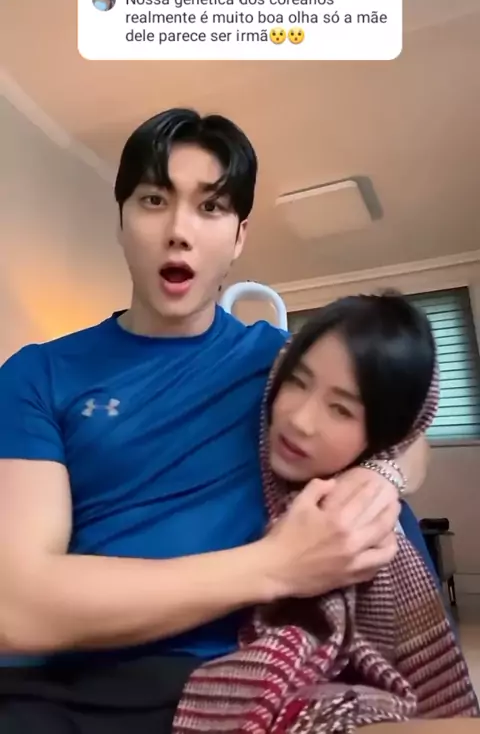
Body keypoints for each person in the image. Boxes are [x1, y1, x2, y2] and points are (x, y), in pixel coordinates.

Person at [0, 109, 430, 733]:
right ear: (121, 220)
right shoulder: (38, 374)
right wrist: (277, 564)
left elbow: (408, 415)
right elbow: (16, 607)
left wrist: (383, 474)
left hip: (243, 676)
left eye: (210, 207)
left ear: (238, 236)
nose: (179, 231)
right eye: (154, 200)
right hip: (68, 683)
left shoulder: (285, 368)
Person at [174, 294, 477, 732]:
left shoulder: (377, 534)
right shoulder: (234, 449)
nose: (301, 420)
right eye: (297, 382)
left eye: (340, 409)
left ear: (382, 434)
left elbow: (417, 438)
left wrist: (383, 472)